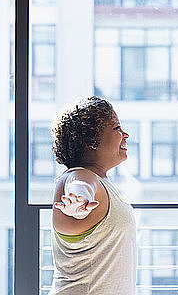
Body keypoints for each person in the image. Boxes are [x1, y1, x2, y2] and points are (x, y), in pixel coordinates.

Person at [48, 96, 136, 295]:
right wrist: (78, 203)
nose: (126, 134)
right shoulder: (81, 175)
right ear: (91, 140)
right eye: (117, 129)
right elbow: (80, 185)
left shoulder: (103, 183)